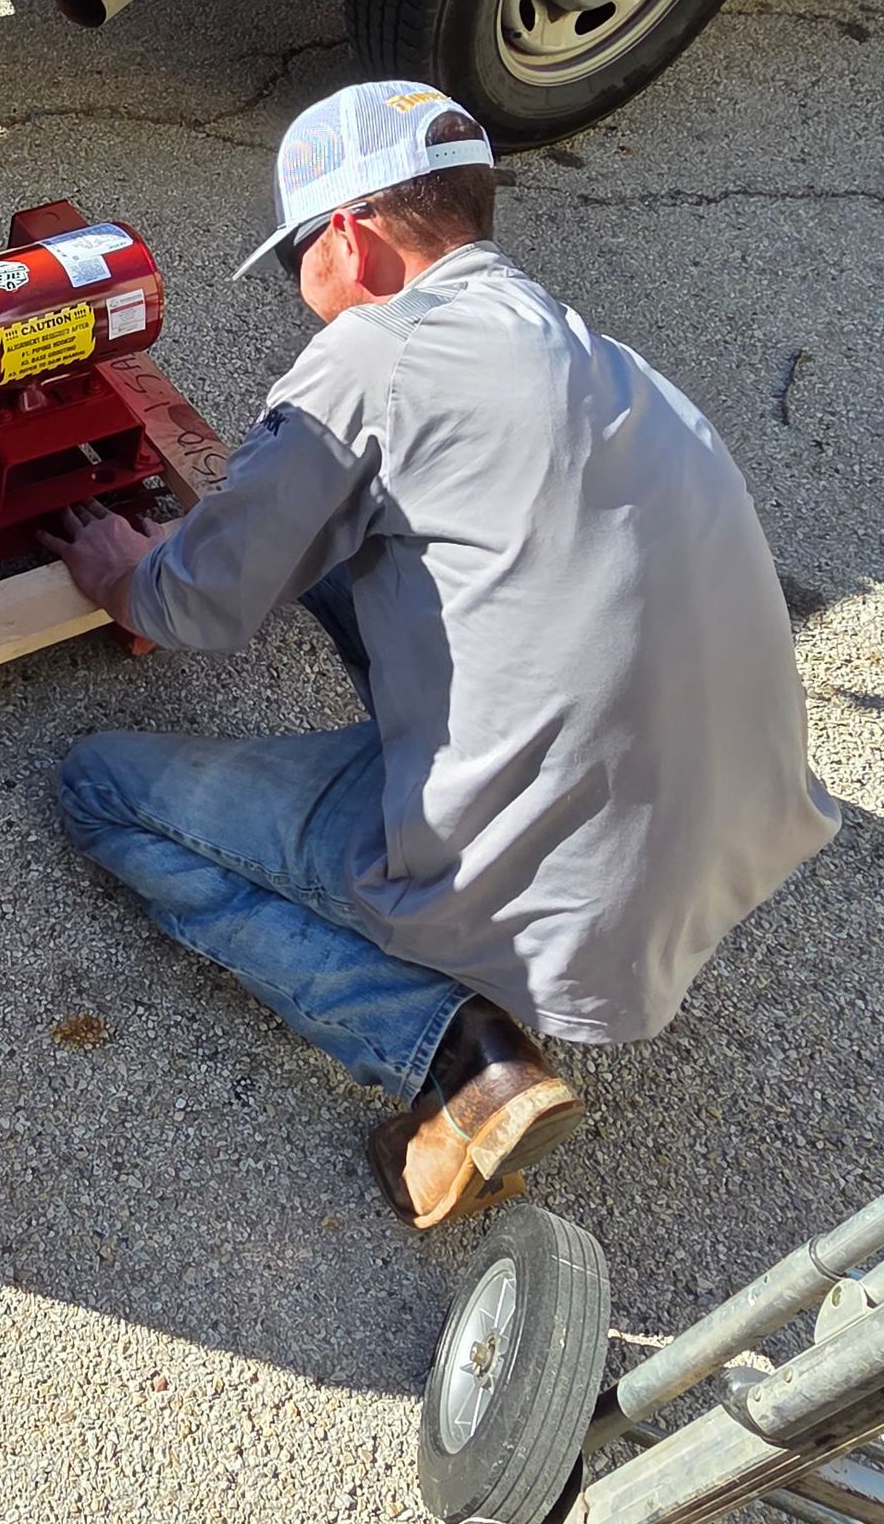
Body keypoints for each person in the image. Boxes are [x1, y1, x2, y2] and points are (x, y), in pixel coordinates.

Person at [42, 81, 839, 1229]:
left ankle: (458, 1059)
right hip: (718, 850)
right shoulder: (602, 363)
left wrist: (128, 566)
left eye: (296, 261)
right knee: (339, 539)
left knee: (99, 788)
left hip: (544, 890)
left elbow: (201, 607)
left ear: (350, 239)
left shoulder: (376, 356)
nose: (303, 297)